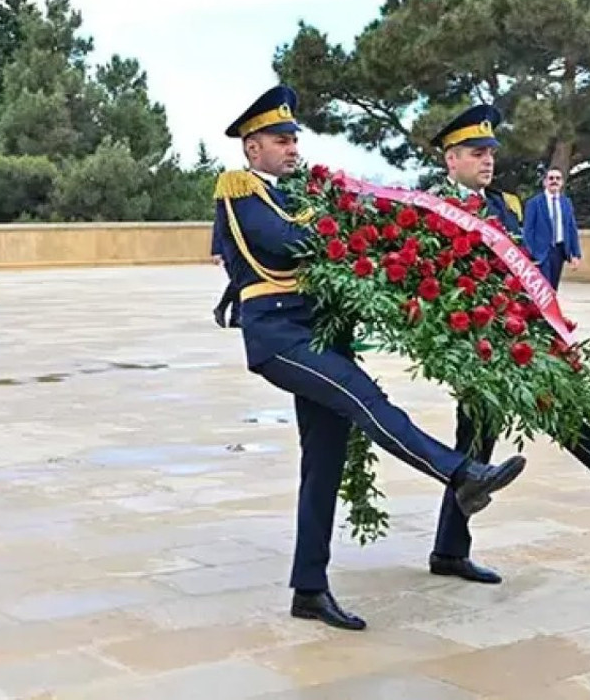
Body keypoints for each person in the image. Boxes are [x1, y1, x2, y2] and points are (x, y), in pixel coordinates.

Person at [214, 86, 530, 631]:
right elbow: (286, 243)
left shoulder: (298, 194)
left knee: (324, 464)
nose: (291, 148)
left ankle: (308, 589)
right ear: (252, 148)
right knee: (366, 399)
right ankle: (460, 474)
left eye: (294, 139)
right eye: (279, 140)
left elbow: (332, 236)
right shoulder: (240, 190)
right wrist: (345, 225)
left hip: (320, 336)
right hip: (281, 337)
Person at [425, 109, 590, 586]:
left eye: (491, 153)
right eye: (477, 153)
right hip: (470, 339)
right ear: (452, 159)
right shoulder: (432, 206)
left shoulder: (504, 203)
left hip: (508, 333)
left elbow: (521, 263)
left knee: (486, 437)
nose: (488, 161)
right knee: (500, 429)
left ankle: (450, 548)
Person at [523, 167, 581, 289]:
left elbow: (571, 228)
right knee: (543, 288)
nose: (554, 181)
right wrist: (531, 253)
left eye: (558, 178)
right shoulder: (534, 203)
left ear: (562, 182)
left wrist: (575, 254)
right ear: (545, 182)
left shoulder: (566, 202)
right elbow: (528, 230)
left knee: (553, 288)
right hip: (541, 252)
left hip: (559, 251)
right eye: (551, 178)